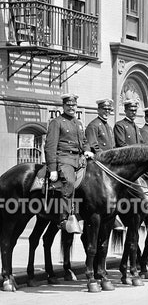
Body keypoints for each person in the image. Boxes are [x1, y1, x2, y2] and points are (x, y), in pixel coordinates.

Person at [44, 94, 94, 233]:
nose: (71, 107)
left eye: (74, 105)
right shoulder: (57, 122)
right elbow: (50, 146)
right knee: (70, 182)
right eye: (68, 105)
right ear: (63, 106)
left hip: (79, 159)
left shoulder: (77, 123)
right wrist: (53, 168)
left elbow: (84, 141)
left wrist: (87, 150)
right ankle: (63, 218)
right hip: (64, 159)